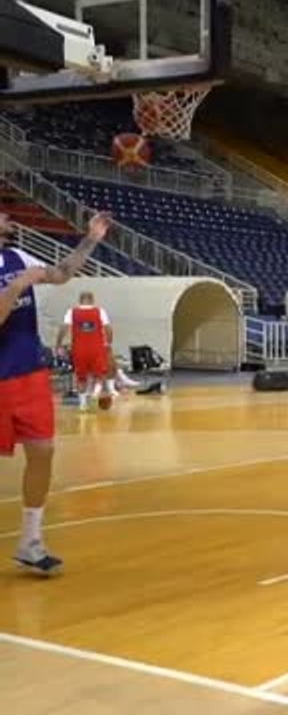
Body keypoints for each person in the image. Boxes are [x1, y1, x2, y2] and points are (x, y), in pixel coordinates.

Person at [0, 210, 111, 576]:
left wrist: (91, 239)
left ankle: (31, 542)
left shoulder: (18, 258)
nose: (7, 215)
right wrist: (16, 286)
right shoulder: (18, 273)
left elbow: (62, 274)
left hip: (29, 374)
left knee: (44, 452)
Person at [56, 291, 114, 412]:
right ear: (92, 299)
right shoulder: (100, 311)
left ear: (80, 300)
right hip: (96, 347)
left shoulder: (72, 311)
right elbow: (108, 328)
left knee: (81, 377)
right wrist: (109, 343)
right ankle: (95, 393)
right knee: (100, 374)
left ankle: (83, 405)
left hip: (79, 348)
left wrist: (59, 343)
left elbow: (64, 328)